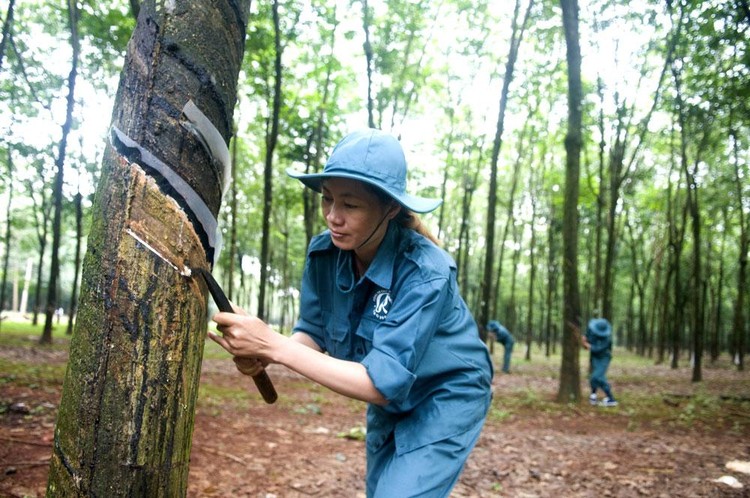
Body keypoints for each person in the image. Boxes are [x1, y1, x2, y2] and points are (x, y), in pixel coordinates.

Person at [209, 128, 494, 497]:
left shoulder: (426, 271)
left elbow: (378, 383)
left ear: (390, 208)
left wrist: (275, 345)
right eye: (327, 199)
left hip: (446, 393)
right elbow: (312, 332)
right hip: (392, 401)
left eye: (351, 205)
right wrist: (263, 350)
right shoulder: (324, 255)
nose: (333, 216)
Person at [581, 317, 618, 407]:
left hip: (604, 358)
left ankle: (611, 398)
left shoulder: (607, 339)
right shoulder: (591, 329)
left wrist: (587, 345)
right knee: (594, 377)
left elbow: (597, 349)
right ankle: (593, 395)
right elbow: (586, 337)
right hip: (594, 357)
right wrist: (584, 339)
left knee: (597, 376)